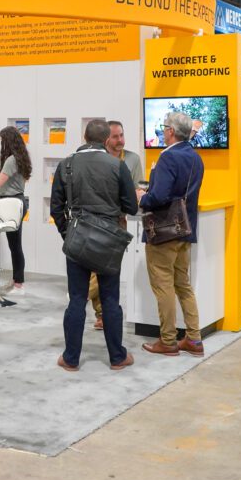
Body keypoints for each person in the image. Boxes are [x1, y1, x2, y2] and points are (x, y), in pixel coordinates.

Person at [50, 119, 138, 371]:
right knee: (111, 299)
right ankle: (117, 357)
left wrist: (68, 233)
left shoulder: (66, 164)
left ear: (84, 136)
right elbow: (131, 206)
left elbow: (56, 208)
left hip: (77, 239)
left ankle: (71, 358)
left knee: (77, 299)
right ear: (105, 139)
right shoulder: (117, 166)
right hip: (109, 240)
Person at [139, 112, 205, 357]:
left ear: (171, 131)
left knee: (163, 285)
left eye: (164, 127)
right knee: (183, 285)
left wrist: (141, 197)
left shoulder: (167, 157)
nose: (162, 131)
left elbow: (159, 196)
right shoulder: (196, 158)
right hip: (184, 230)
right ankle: (194, 339)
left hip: (163, 232)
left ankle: (167, 341)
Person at [86, 119, 144, 329]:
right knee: (95, 266)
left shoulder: (132, 159)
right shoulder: (96, 159)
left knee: (108, 268)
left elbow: (138, 191)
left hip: (118, 222)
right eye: (115, 136)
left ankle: (82, 293)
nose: (120, 140)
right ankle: (101, 313)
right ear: (105, 139)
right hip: (93, 220)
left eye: (122, 135)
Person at [0, 126, 32, 294]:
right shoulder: (21, 158)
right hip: (17, 201)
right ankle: (17, 280)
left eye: (3, 140)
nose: (1, 144)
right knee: (15, 244)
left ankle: (19, 283)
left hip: (11, 203)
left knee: (15, 245)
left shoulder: (11, 160)